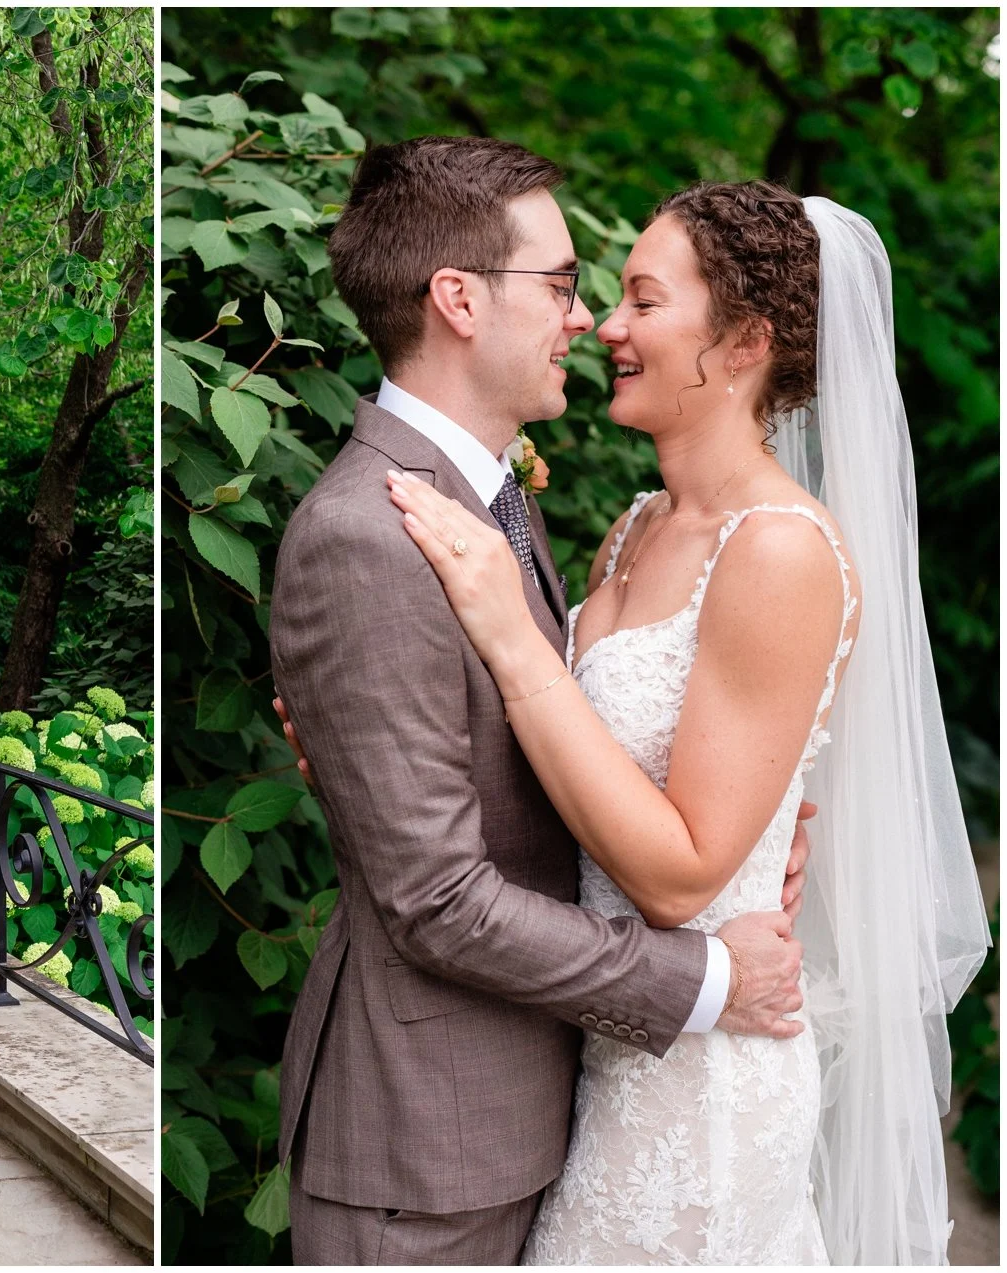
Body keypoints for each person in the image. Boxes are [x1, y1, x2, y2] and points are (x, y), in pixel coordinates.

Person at [385, 181, 988, 1264]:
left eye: (641, 301)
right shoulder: (632, 528)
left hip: (703, 1096)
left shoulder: (778, 551)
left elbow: (678, 875)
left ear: (745, 340)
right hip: (603, 1057)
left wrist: (516, 644)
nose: (605, 327)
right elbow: (583, 774)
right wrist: (386, 742)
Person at [266, 140, 812, 1265]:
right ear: (458, 299)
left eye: (613, 295)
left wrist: (764, 816)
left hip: (529, 1115)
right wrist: (707, 974)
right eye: (561, 285)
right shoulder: (367, 536)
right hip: (423, 1153)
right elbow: (434, 898)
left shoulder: (492, 504)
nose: (586, 319)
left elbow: (531, 754)